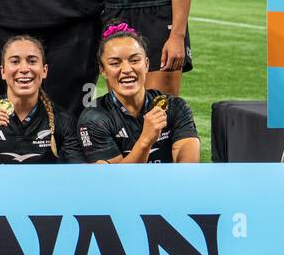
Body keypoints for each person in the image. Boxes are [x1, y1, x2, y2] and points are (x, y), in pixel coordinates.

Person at [78, 24, 200, 164]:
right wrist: (145, 140)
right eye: (115, 63)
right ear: (103, 70)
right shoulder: (93, 119)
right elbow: (113, 176)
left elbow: (188, 167)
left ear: (146, 64)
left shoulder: (175, 107)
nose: (126, 69)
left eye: (135, 60)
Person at [0, 35, 80, 165]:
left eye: (32, 61)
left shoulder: (63, 121)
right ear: (3, 71)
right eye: (15, 61)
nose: (24, 69)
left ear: (44, 70)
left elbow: (79, 174)